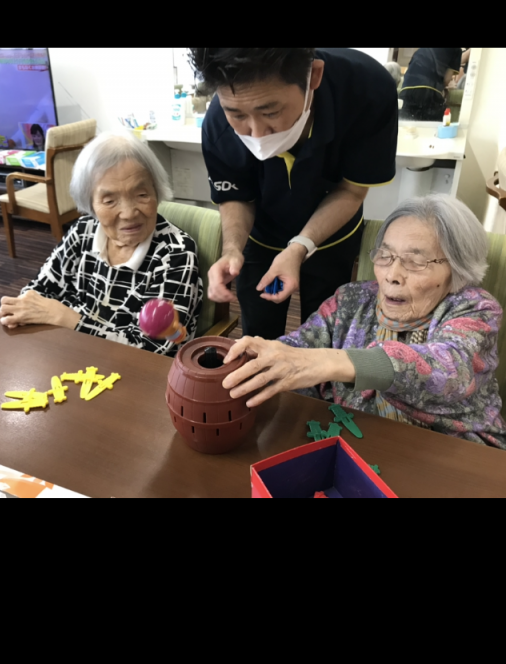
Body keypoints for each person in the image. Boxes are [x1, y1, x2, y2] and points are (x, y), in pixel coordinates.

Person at [221, 195, 506, 448]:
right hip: (356, 447)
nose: (392, 275)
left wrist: (332, 362)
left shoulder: (476, 310)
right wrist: (253, 363)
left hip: (456, 456)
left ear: (457, 267)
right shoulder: (350, 300)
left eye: (415, 262)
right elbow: (299, 351)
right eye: (385, 255)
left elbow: (449, 371)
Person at [191, 47, 398, 340]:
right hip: (260, 236)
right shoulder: (218, 120)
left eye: (271, 112)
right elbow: (236, 194)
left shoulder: (367, 90)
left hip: (331, 236)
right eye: (237, 115)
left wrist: (299, 247)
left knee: (324, 331)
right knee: (259, 334)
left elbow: (351, 191)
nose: (256, 133)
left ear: (314, 76)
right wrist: (232, 249)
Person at [0, 133, 202, 354]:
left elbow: (153, 349)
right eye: (110, 200)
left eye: (141, 194)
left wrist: (67, 318)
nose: (128, 213)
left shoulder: (176, 253)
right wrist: (38, 311)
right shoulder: (83, 231)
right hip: (69, 353)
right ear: (91, 204)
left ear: (157, 191)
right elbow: (37, 293)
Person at [399, 49, 462, 121]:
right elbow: (447, 79)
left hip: (406, 89)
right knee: (431, 125)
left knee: (405, 123)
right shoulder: (456, 50)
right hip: (429, 91)